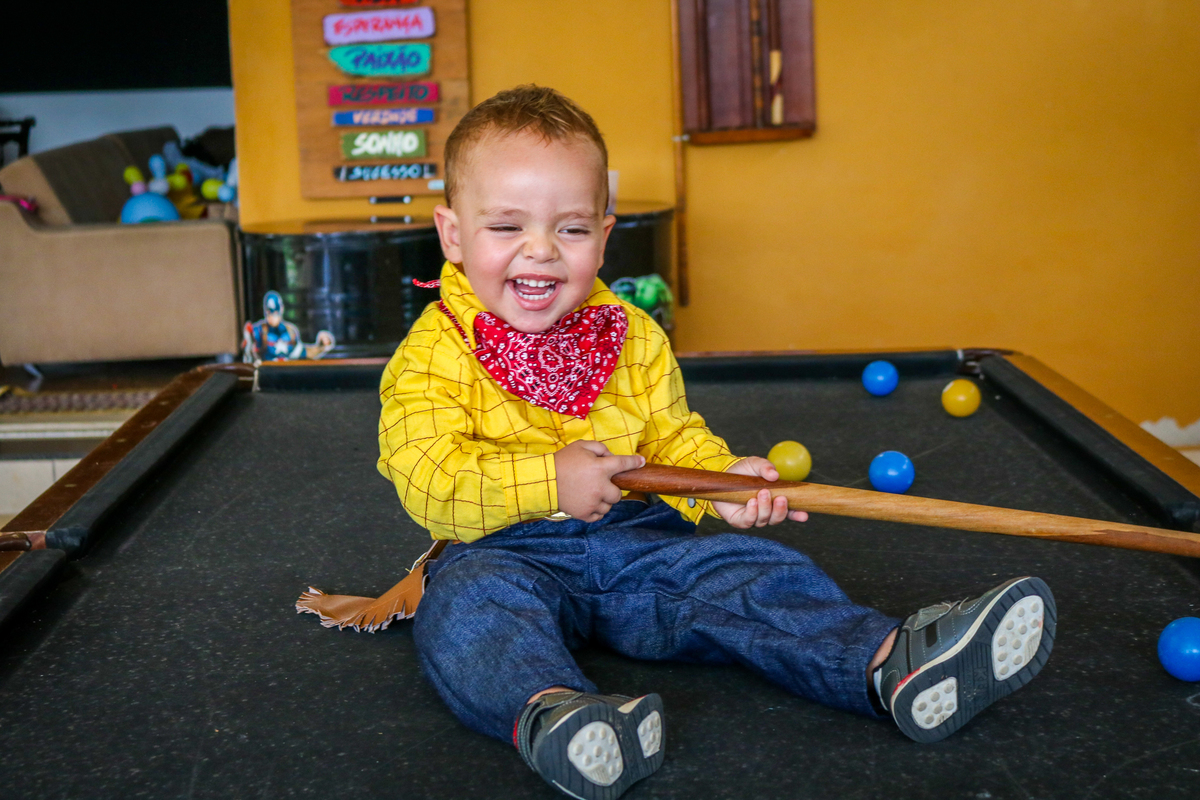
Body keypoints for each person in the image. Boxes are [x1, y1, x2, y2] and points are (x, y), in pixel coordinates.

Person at [376, 85, 1056, 800]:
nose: (541, 250)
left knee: (751, 569)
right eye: (506, 226)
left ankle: (892, 663)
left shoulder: (634, 336)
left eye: (571, 229)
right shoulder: (429, 356)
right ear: (453, 234)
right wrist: (551, 481)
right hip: (504, 553)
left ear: (604, 236)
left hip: (639, 544)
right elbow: (428, 478)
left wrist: (723, 483)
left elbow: (675, 436)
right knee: (465, 609)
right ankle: (562, 717)